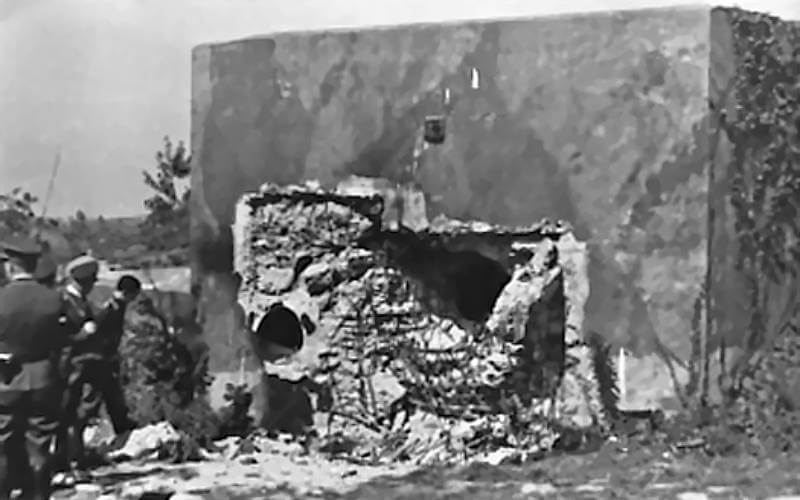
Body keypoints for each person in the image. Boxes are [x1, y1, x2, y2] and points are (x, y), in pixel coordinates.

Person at [0, 235, 67, 499]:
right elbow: (62, 339)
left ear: (10, 266)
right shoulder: (53, 299)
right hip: (43, 377)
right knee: (39, 444)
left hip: (6, 379)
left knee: (3, 443)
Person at [53, 255, 103, 484]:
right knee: (67, 416)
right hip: (69, 365)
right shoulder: (62, 301)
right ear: (83, 280)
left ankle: (73, 461)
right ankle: (67, 463)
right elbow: (59, 338)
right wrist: (82, 335)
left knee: (78, 415)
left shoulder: (82, 300)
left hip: (83, 365)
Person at [93, 275, 141, 434]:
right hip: (101, 358)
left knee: (113, 392)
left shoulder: (118, 306)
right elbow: (100, 334)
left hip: (108, 357)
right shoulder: (110, 309)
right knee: (101, 395)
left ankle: (121, 424)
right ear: (127, 292)